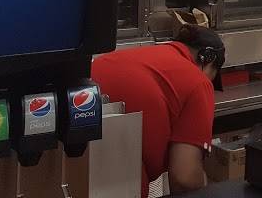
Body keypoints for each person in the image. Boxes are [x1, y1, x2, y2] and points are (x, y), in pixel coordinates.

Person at [92, 24, 225, 197]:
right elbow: (184, 178)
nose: (209, 83)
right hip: (117, 182)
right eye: (212, 76)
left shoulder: (140, 56)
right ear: (207, 58)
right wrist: (206, 185)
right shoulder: (198, 82)